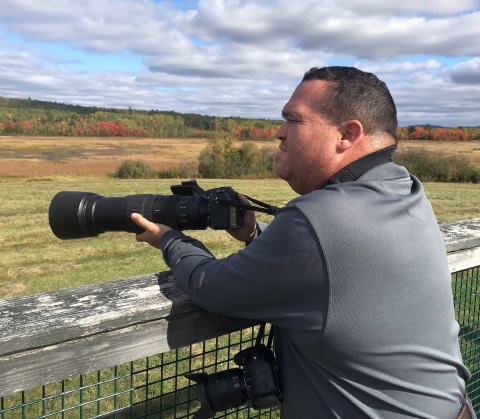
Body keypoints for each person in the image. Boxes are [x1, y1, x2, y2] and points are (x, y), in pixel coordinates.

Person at [131, 66, 473, 419]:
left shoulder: (319, 218)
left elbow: (208, 286)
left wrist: (169, 239)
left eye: (292, 120)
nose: (278, 133)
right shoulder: (405, 190)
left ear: (346, 134)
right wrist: (254, 233)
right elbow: (339, 257)